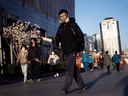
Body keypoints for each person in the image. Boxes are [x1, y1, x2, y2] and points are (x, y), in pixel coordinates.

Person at [55, 9, 86, 94]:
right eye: (60, 16)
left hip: (73, 50)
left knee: (69, 69)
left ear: (67, 15)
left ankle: (66, 88)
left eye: (64, 15)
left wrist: (74, 45)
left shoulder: (73, 25)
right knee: (74, 68)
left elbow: (80, 36)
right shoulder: (60, 28)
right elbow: (57, 38)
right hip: (65, 52)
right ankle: (82, 85)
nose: (62, 18)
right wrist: (58, 43)